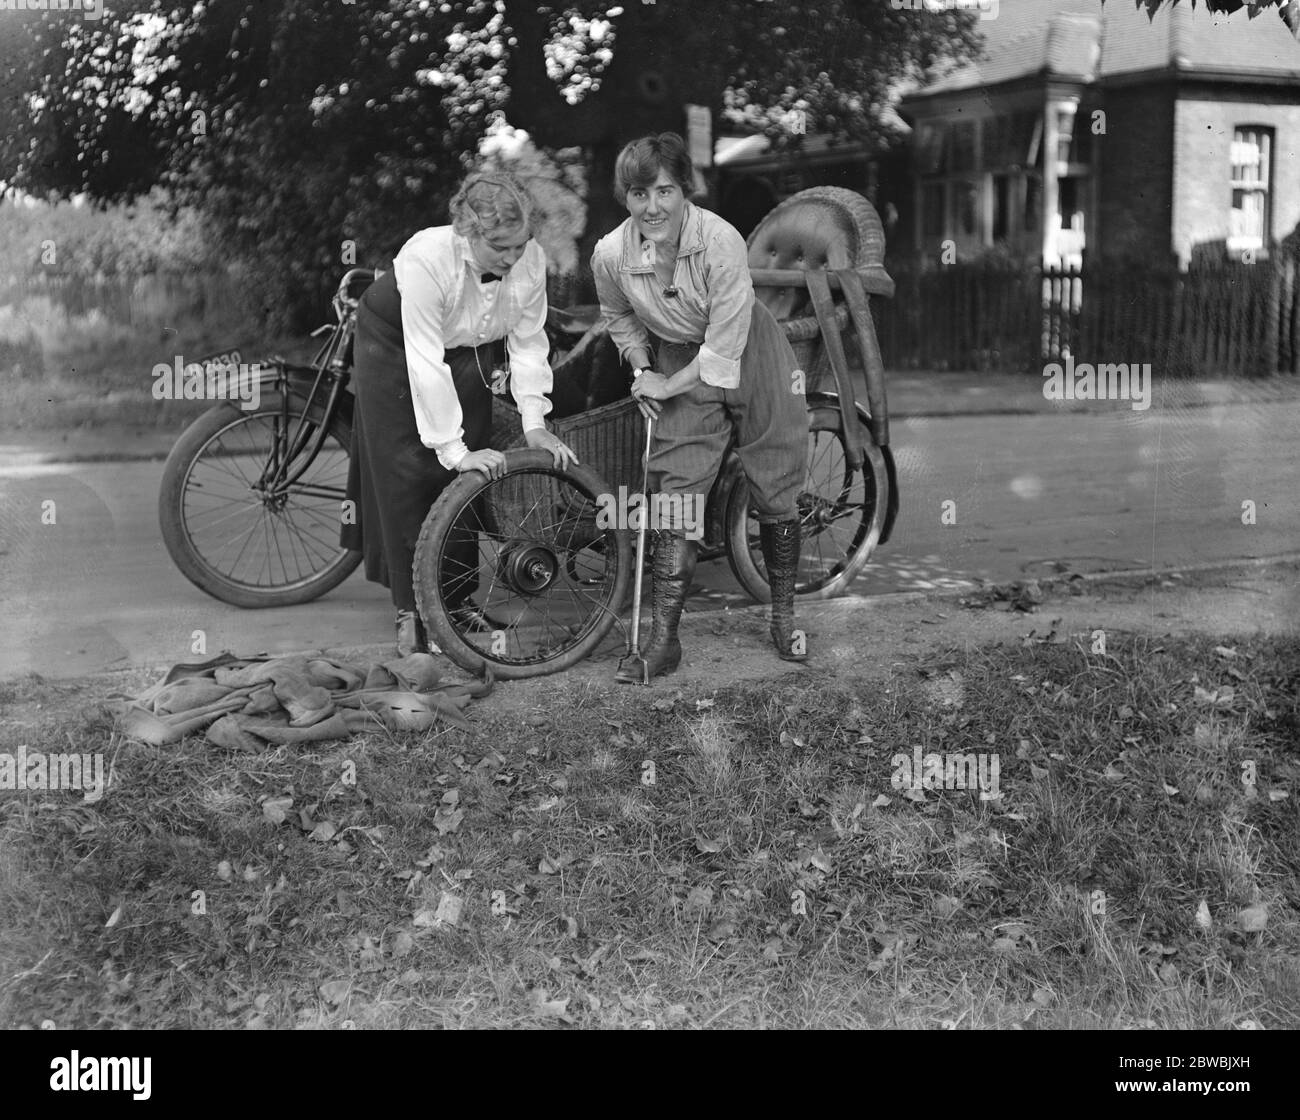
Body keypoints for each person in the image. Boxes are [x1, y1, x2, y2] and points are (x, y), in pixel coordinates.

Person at [591, 132, 810, 681]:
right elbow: (617, 316)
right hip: (676, 353)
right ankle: (663, 641)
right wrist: (643, 369)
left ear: (684, 189)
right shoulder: (611, 254)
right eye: (639, 194)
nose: (652, 207)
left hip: (749, 348)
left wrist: (667, 386)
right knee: (675, 494)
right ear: (625, 197)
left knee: (776, 479)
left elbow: (725, 345)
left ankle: (784, 619)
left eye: (665, 191)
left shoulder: (720, 240)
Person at [342, 170, 577, 656]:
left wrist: (534, 423)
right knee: (411, 469)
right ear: (469, 232)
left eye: (521, 245)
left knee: (477, 465)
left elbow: (530, 342)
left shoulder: (528, 261)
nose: (514, 259)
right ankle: (412, 609)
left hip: (471, 344)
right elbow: (425, 359)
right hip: (395, 343)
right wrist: (450, 448)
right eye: (500, 249)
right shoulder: (427, 258)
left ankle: (456, 595)